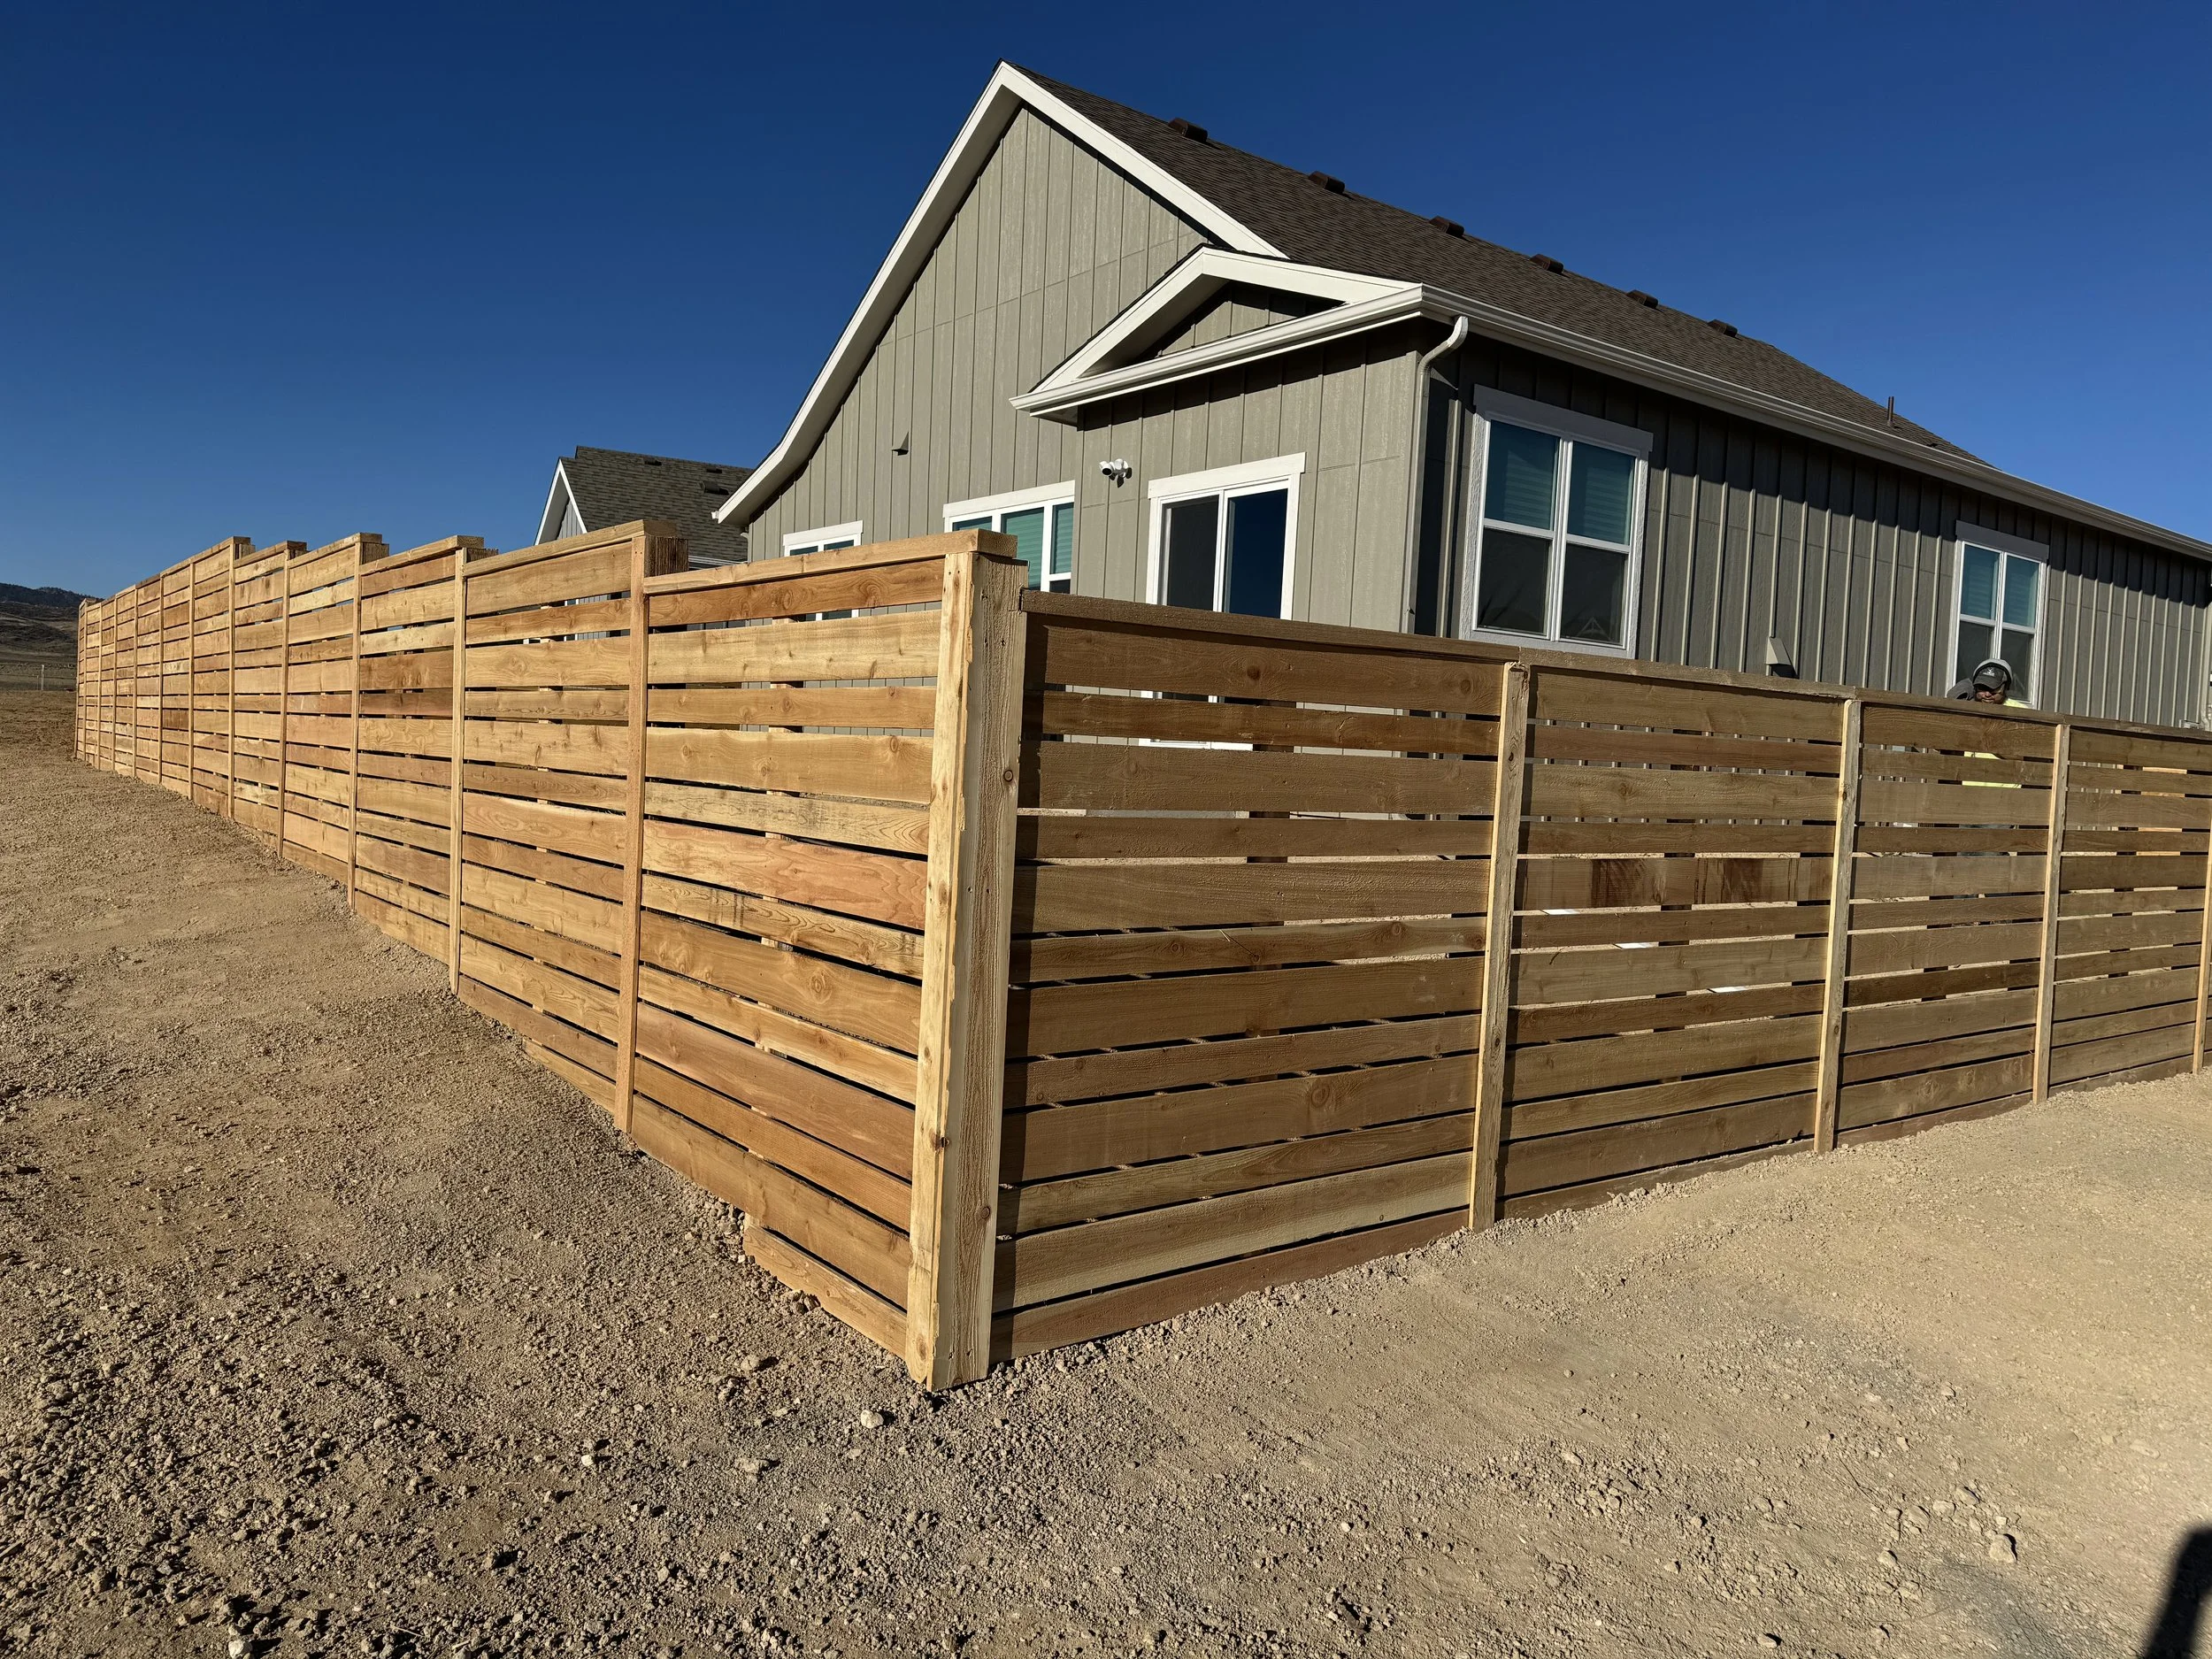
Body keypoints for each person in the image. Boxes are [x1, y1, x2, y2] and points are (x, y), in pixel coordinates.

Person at [1947, 658, 2026, 706]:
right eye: (1982, 688)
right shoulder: (1965, 704)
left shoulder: (2020, 711)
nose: (1987, 694)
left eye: (1994, 689)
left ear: (2005, 688)